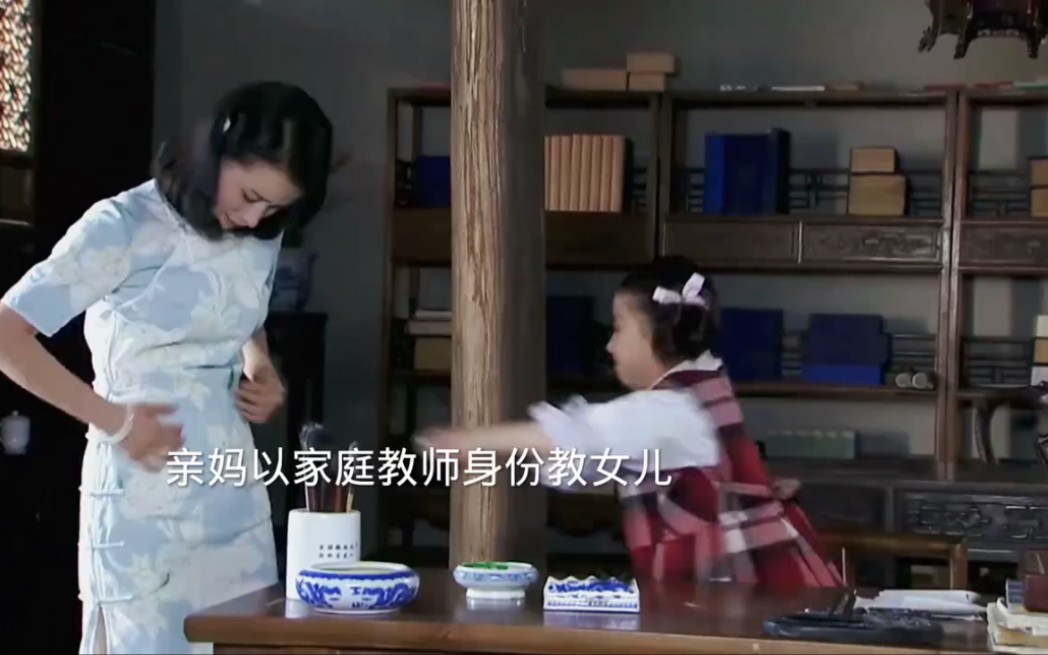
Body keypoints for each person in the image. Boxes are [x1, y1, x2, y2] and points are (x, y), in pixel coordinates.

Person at [0, 81, 334, 654]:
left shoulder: (261, 234)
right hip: (142, 499)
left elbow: (239, 313)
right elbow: (8, 335)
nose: (253, 217)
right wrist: (115, 421)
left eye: (275, 209)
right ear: (218, 149)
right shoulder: (125, 224)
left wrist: (260, 365)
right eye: (250, 195)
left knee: (243, 644)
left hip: (230, 492)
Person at [415, 256, 842, 589]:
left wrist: (464, 441)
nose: (610, 344)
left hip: (736, 600)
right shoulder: (704, 389)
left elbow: (577, 436)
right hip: (753, 594)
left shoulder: (669, 410)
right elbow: (598, 459)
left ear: (656, 333)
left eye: (619, 327)